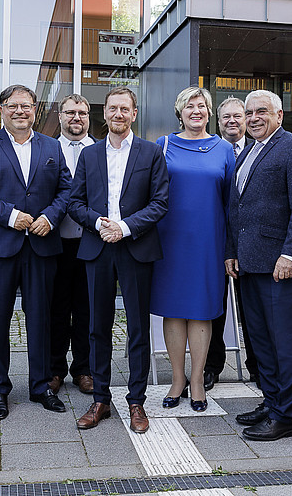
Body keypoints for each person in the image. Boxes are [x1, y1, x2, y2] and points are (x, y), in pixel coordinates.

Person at [0, 84, 72, 421]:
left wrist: (50, 218)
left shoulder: (52, 146)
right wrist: (10, 216)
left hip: (41, 246)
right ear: (2, 109)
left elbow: (67, 189)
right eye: (13, 106)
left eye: (26, 106)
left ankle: (41, 386)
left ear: (35, 110)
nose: (20, 112)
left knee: (41, 319)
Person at [68, 87, 169, 434]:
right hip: (97, 247)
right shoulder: (89, 155)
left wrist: (124, 228)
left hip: (135, 246)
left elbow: (159, 203)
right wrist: (99, 224)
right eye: (113, 109)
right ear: (105, 113)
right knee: (97, 326)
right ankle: (100, 399)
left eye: (125, 109)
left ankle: (136, 401)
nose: (118, 115)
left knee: (138, 328)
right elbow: (74, 202)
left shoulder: (152, 153)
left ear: (134, 113)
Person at [225, 89, 292, 442]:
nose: (253, 118)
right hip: (249, 263)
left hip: (281, 264)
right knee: (260, 340)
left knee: (284, 341)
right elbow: (238, 209)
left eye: (261, 112)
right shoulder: (247, 151)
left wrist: (291, 255)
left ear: (279, 115)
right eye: (249, 113)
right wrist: (232, 250)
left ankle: (284, 416)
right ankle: (271, 399)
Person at [151, 87, 233, 412]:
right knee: (173, 310)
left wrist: (230, 248)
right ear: (179, 112)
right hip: (169, 241)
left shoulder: (225, 149)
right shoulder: (164, 145)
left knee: (201, 310)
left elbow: (231, 203)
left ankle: (197, 380)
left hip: (208, 242)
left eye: (201, 106)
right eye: (189, 106)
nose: (195, 111)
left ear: (209, 111)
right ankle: (177, 380)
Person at [205, 97, 260, 390]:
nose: (232, 121)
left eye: (238, 116)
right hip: (214, 242)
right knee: (215, 308)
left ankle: (257, 366)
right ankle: (212, 366)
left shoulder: (259, 150)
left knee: (252, 308)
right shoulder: (210, 150)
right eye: (226, 116)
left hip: (249, 245)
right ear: (218, 119)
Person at [48, 94, 96, 396]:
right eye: (70, 112)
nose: (76, 118)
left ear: (89, 116)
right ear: (60, 115)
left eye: (82, 112)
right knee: (55, 309)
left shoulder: (102, 149)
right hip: (55, 243)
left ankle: (84, 369)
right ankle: (54, 370)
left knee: (87, 310)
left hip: (90, 243)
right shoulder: (46, 149)